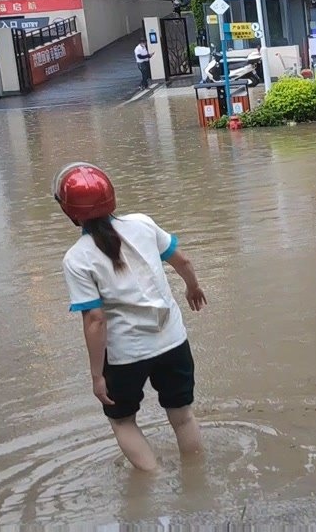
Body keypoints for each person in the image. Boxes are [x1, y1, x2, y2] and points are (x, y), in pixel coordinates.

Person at [55, 163, 208, 473]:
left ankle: (155, 478)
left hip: (126, 355)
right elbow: (184, 261)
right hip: (173, 341)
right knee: (183, 415)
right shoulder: (142, 224)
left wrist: (97, 376)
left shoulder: (77, 258)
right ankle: (195, 481)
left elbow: (95, 320)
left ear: (71, 213)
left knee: (123, 421)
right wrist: (193, 287)